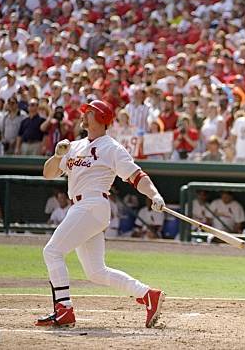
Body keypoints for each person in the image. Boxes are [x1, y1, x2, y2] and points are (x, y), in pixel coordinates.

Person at [37, 99, 166, 329]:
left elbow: (137, 176)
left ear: (101, 118)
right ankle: (148, 295)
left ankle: (63, 309)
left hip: (93, 203)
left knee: (52, 251)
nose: (84, 115)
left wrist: (154, 195)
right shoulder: (74, 146)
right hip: (81, 207)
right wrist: (57, 156)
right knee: (96, 272)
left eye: (89, 112)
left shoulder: (112, 147)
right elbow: (48, 174)